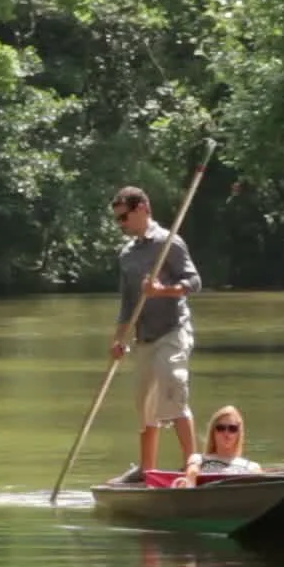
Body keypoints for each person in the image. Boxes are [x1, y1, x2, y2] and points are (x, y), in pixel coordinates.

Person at [107, 186, 203, 484]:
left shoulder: (169, 243)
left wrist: (164, 291)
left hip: (173, 330)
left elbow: (195, 282)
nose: (120, 224)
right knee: (145, 401)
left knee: (172, 381)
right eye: (117, 220)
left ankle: (192, 462)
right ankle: (147, 470)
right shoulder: (127, 255)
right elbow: (127, 304)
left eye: (124, 217)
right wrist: (119, 339)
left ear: (142, 209)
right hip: (144, 336)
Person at [176, 406, 263, 488]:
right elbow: (192, 473)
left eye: (232, 428)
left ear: (238, 434)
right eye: (221, 428)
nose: (226, 433)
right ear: (213, 432)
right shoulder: (198, 459)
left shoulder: (252, 467)